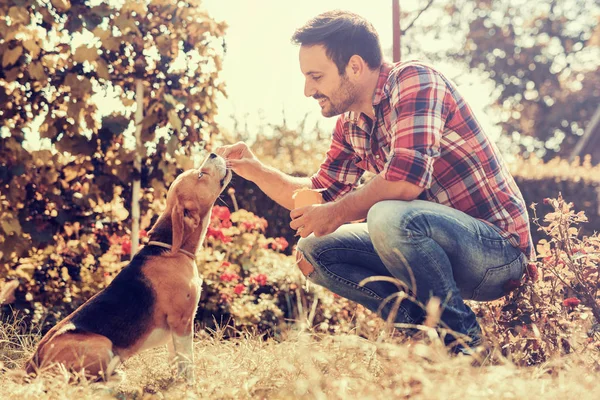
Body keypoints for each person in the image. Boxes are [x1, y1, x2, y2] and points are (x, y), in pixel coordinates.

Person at [216, 10, 534, 353]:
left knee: (389, 215)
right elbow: (319, 196)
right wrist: (256, 170)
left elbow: (404, 181)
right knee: (313, 251)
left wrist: (335, 214)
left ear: (354, 66)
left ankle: (464, 345)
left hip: (497, 253)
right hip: (437, 252)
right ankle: (427, 341)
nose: (308, 90)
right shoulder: (351, 125)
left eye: (316, 76)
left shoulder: (415, 81)